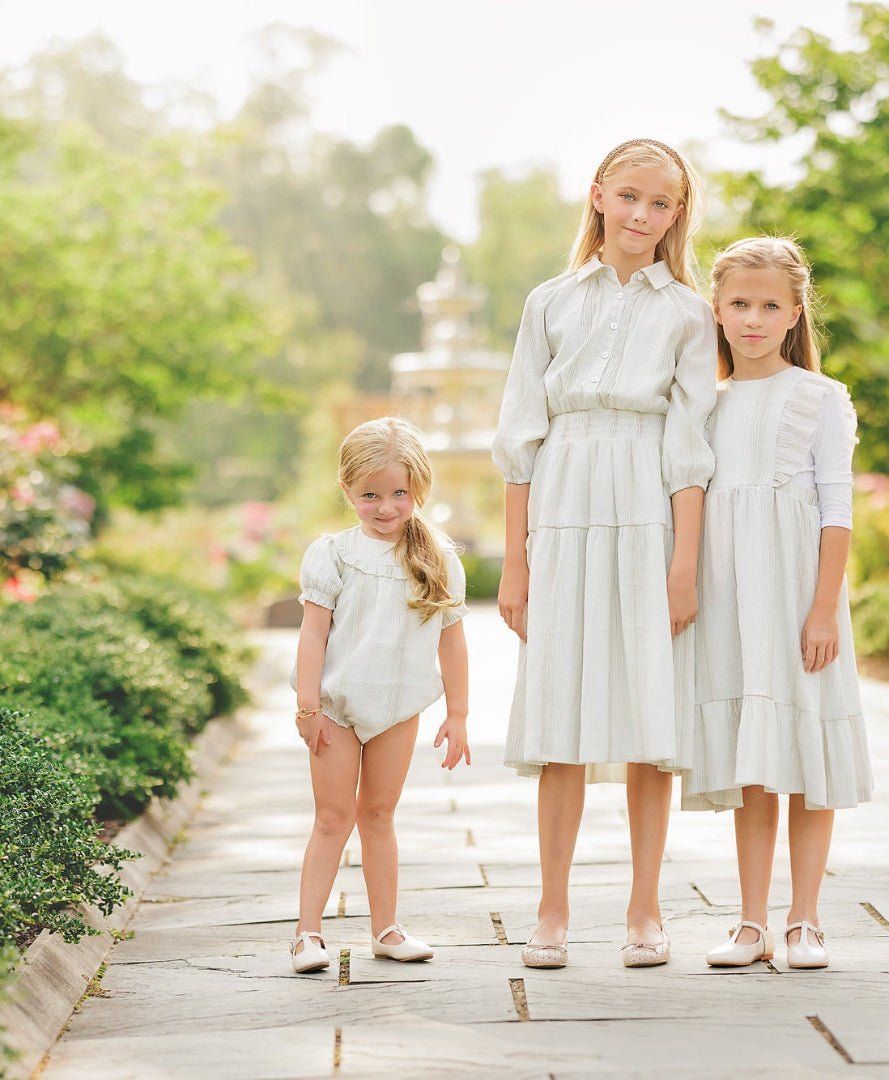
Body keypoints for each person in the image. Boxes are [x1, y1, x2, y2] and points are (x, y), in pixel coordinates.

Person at [492, 138, 717, 969]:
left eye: (662, 205)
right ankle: (551, 909)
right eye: (629, 197)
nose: (643, 217)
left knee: (647, 719)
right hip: (564, 499)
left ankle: (646, 909)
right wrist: (514, 562)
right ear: (596, 196)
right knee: (561, 719)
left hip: (646, 501)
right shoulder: (549, 302)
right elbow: (520, 433)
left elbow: (691, 446)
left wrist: (684, 564)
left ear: (676, 216)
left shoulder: (690, 314)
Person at [684, 236, 873, 970]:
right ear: (718, 311)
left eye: (769, 306)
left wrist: (823, 609)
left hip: (800, 595)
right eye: (739, 304)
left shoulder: (821, 398)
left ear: (795, 313)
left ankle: (805, 921)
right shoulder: (707, 402)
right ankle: (752, 922)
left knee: (807, 750)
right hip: (732, 597)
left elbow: (836, 508)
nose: (753, 319)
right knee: (754, 759)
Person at [289, 416, 470, 973]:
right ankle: (307, 935)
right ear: (347, 490)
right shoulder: (334, 554)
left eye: (398, 493)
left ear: (419, 487)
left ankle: (386, 929)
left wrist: (458, 714)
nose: (385, 506)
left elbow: (452, 641)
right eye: (369, 495)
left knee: (379, 815)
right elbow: (313, 635)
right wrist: (308, 707)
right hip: (336, 710)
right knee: (332, 816)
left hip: (396, 710)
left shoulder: (437, 559)